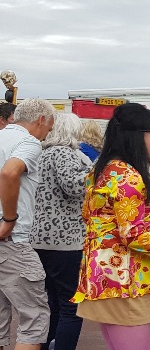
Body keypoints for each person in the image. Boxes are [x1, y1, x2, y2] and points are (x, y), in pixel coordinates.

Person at [72, 103, 150, 350]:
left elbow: (89, 216)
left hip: (102, 273)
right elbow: (135, 236)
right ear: (136, 135)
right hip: (125, 279)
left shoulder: (104, 169)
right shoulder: (128, 176)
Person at [31, 113, 91, 350]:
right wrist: (98, 171)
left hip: (41, 238)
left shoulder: (41, 153)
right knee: (71, 306)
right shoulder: (63, 153)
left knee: (53, 303)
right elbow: (74, 186)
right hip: (66, 239)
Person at [0, 99, 55, 350]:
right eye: (49, 127)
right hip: (12, 240)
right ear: (41, 120)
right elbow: (10, 172)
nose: (48, 134)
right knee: (34, 317)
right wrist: (9, 219)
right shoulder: (28, 142)